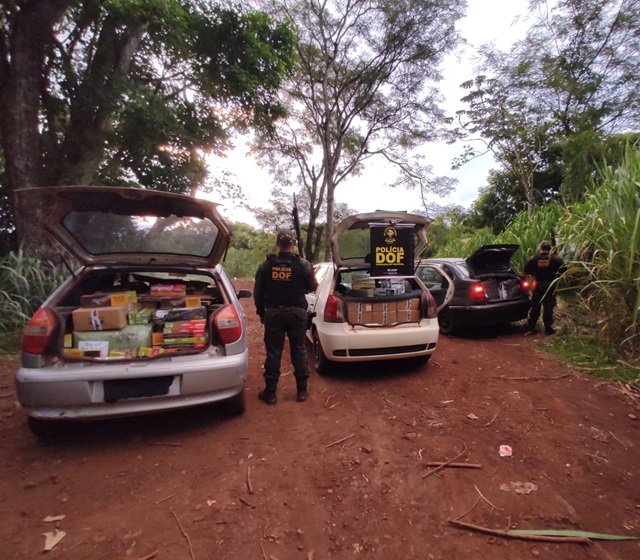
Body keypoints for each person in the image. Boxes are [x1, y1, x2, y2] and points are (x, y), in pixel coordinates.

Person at [254, 229, 318, 404]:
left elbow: (258, 293)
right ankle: (302, 391)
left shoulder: (266, 265)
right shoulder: (303, 265)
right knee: (299, 350)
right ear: (294, 244)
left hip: (274, 314)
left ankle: (271, 393)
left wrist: (261, 313)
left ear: (277, 244)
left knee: (274, 353)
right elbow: (313, 287)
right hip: (297, 314)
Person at [524, 240, 566, 335]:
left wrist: (534, 272)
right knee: (548, 306)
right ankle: (548, 328)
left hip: (537, 285)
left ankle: (531, 327)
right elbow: (564, 270)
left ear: (540, 248)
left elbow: (526, 270)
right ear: (550, 248)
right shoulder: (556, 259)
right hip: (550, 285)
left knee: (535, 306)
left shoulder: (534, 259)